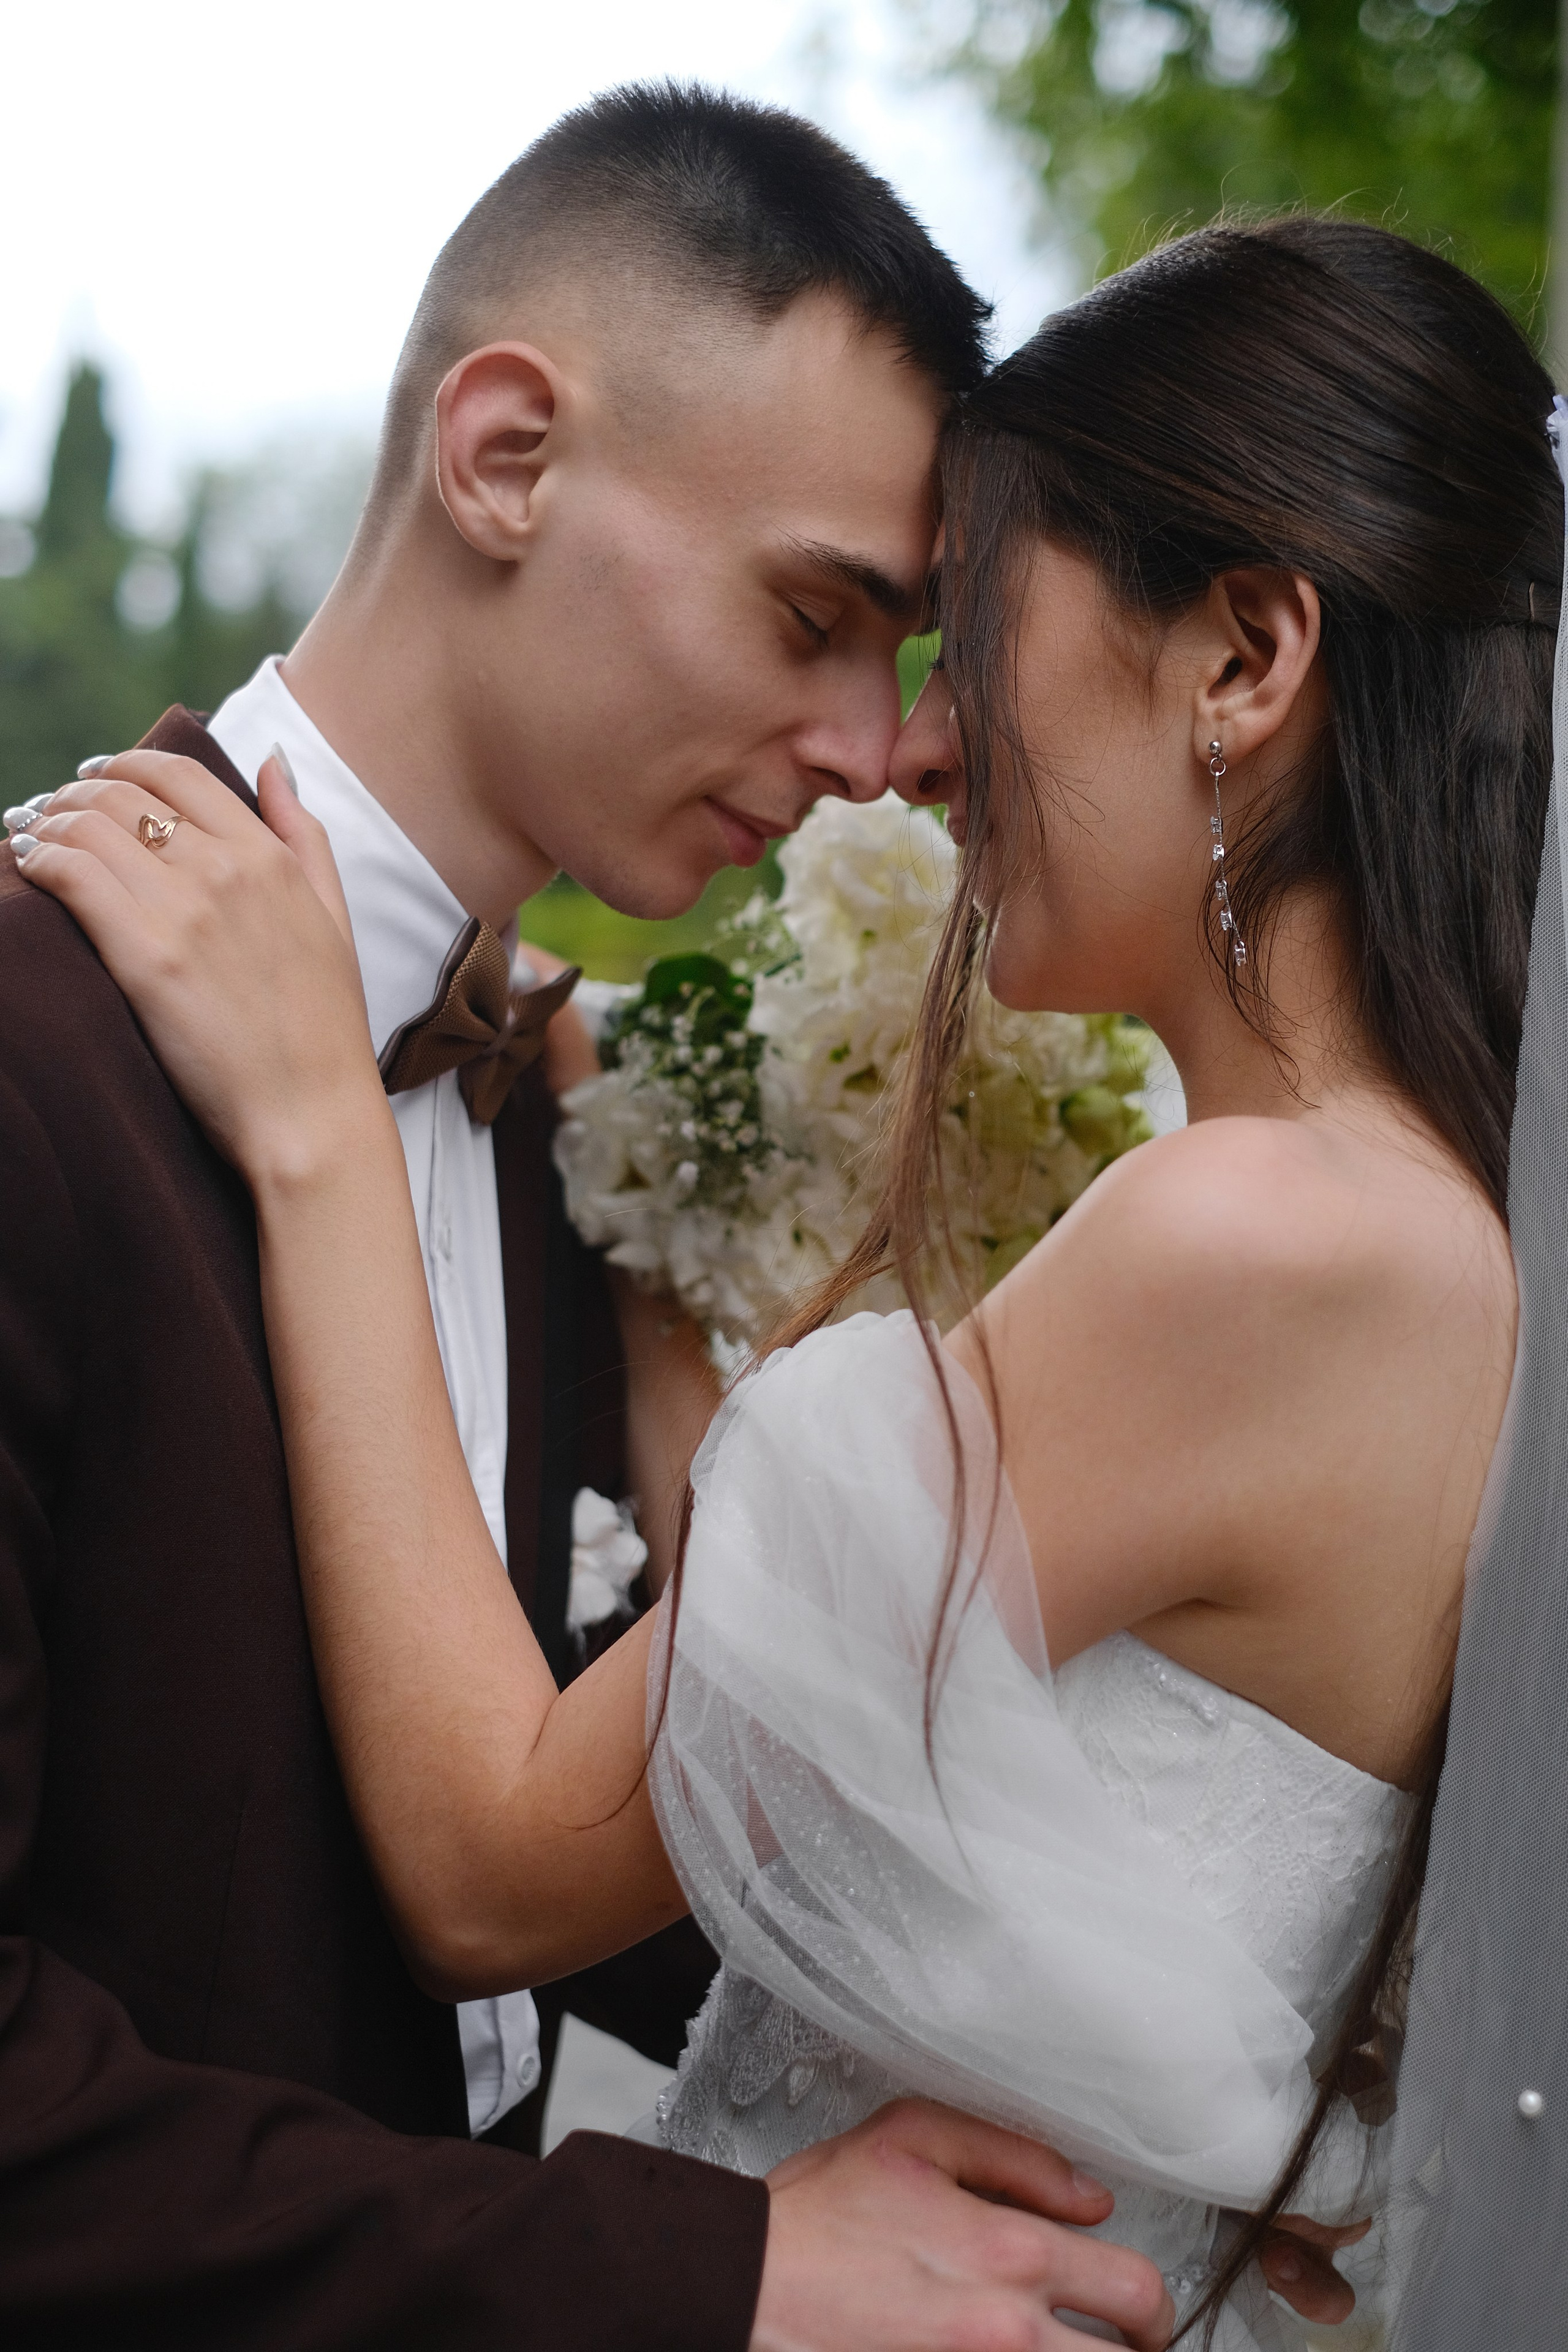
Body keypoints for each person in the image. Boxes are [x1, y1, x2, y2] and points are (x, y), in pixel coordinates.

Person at [24, 208, 1532, 2342]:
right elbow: (841, 1807)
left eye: (955, 635)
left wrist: (320, 1134)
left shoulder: (1250, 1243)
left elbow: (495, 1857)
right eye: (825, 624)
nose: (898, 755)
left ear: (1250, 660)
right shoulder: (1424, 1236)